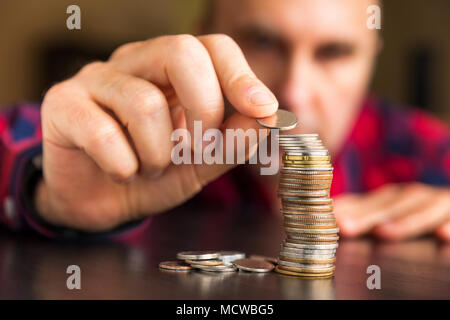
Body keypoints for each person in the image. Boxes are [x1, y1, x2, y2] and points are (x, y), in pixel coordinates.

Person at [1, 0, 449, 241]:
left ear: (373, 52)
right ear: (205, 34)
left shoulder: (430, 153)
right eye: (263, 41)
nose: (293, 91)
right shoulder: (143, 126)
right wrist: (43, 191)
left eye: (334, 52)